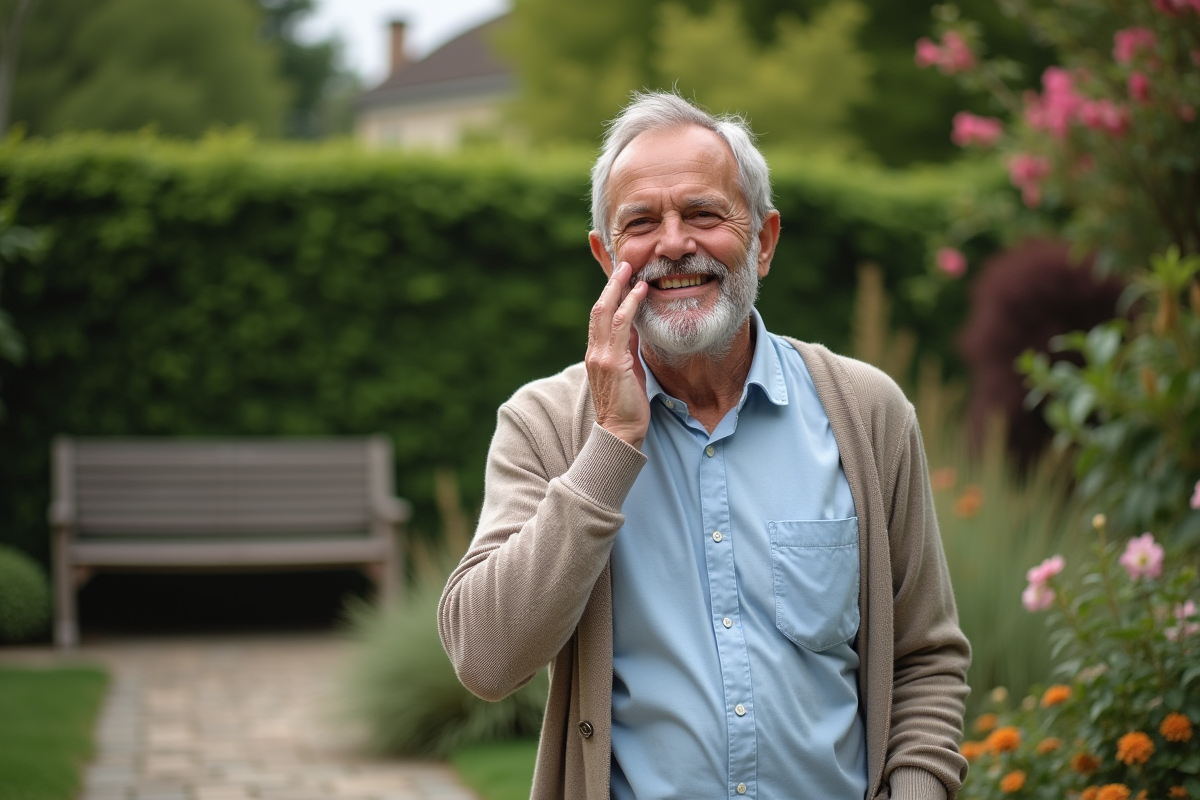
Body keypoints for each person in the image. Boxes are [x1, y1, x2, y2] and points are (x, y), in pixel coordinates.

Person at [439, 91, 970, 800]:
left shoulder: (867, 413)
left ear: (764, 240)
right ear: (606, 256)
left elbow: (925, 659)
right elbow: (486, 659)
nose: (673, 244)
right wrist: (612, 445)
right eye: (640, 223)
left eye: (703, 213)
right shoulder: (543, 423)